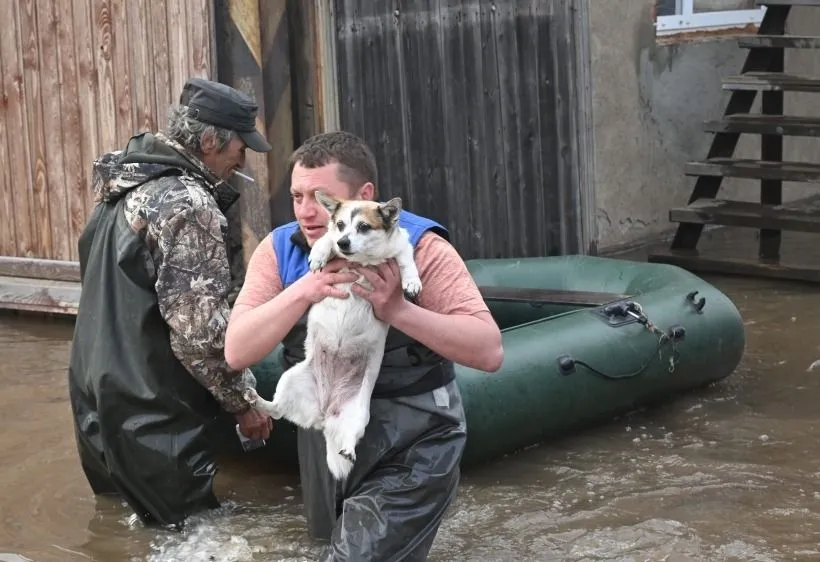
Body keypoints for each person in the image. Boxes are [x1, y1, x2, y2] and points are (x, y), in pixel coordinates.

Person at [224, 130, 504, 560]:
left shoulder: (422, 249)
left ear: (365, 194)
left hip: (415, 439)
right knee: (326, 548)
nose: (306, 211)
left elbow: (488, 351)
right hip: (328, 431)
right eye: (297, 196)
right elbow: (238, 351)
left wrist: (398, 311)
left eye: (319, 198)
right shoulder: (280, 249)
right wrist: (304, 290)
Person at [67, 77, 274, 530]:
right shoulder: (188, 203)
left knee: (118, 532)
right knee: (191, 537)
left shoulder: (123, 187)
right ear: (207, 141)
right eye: (240, 149)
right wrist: (244, 403)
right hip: (154, 414)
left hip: (93, 397)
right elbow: (199, 335)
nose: (242, 161)